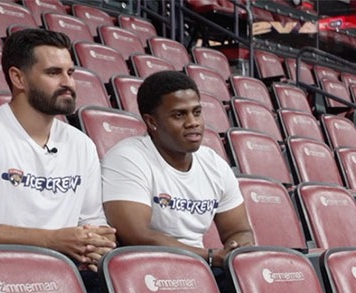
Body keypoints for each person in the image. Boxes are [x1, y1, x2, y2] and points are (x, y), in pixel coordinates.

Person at [0, 29, 114, 270]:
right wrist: (50, 240)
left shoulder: (82, 144)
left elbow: (93, 222)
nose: (68, 83)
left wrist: (98, 243)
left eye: (70, 72)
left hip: (67, 274)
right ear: (18, 78)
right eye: (53, 73)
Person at [101, 71, 253, 267]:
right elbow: (137, 236)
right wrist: (209, 256)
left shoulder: (214, 164)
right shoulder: (127, 158)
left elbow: (240, 230)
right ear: (151, 122)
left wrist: (235, 250)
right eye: (179, 115)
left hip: (202, 268)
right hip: (147, 269)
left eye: (197, 112)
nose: (193, 122)